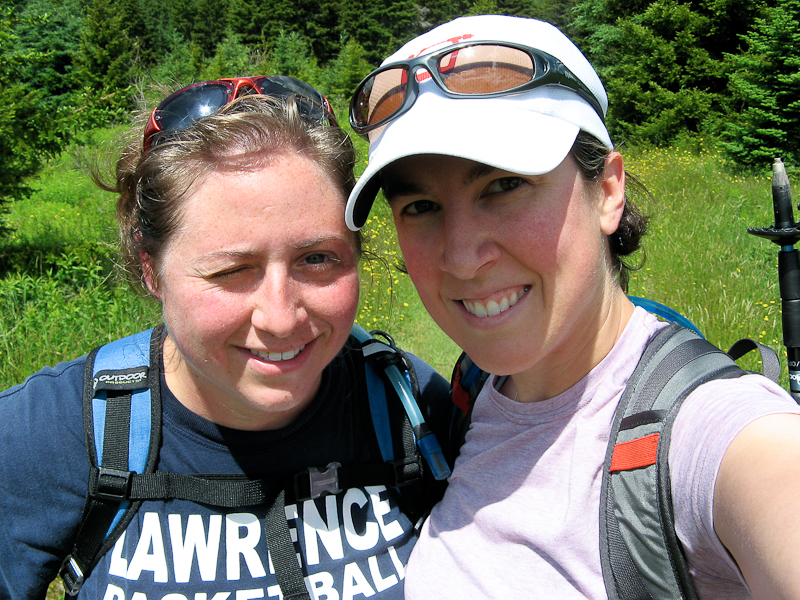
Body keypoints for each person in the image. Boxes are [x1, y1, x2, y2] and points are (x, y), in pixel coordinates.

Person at [344, 15, 800, 600]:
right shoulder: (475, 389)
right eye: (421, 207)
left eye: (505, 186)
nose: (461, 258)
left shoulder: (713, 436)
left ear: (608, 190)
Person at [0, 77, 450, 599]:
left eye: (317, 259)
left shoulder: (411, 408)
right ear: (151, 270)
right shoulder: (52, 434)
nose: (281, 319)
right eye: (232, 270)